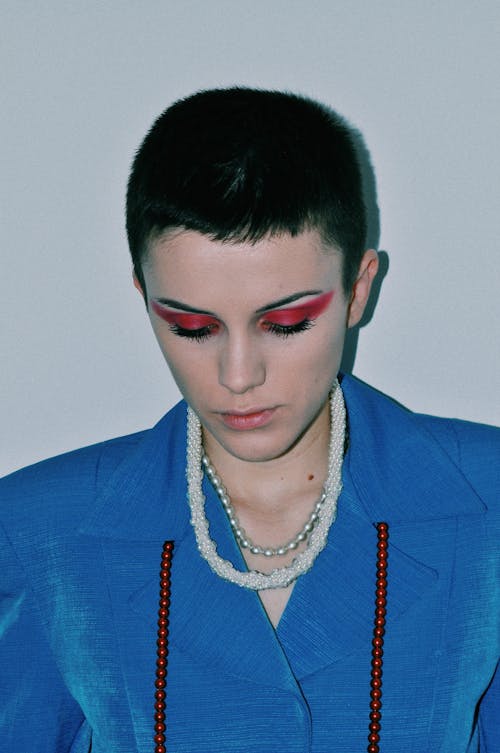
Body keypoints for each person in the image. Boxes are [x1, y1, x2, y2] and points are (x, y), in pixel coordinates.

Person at [0, 87, 498, 753]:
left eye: (286, 323)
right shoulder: (39, 531)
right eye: (192, 326)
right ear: (144, 299)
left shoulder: (488, 506)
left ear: (358, 289)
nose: (238, 375)